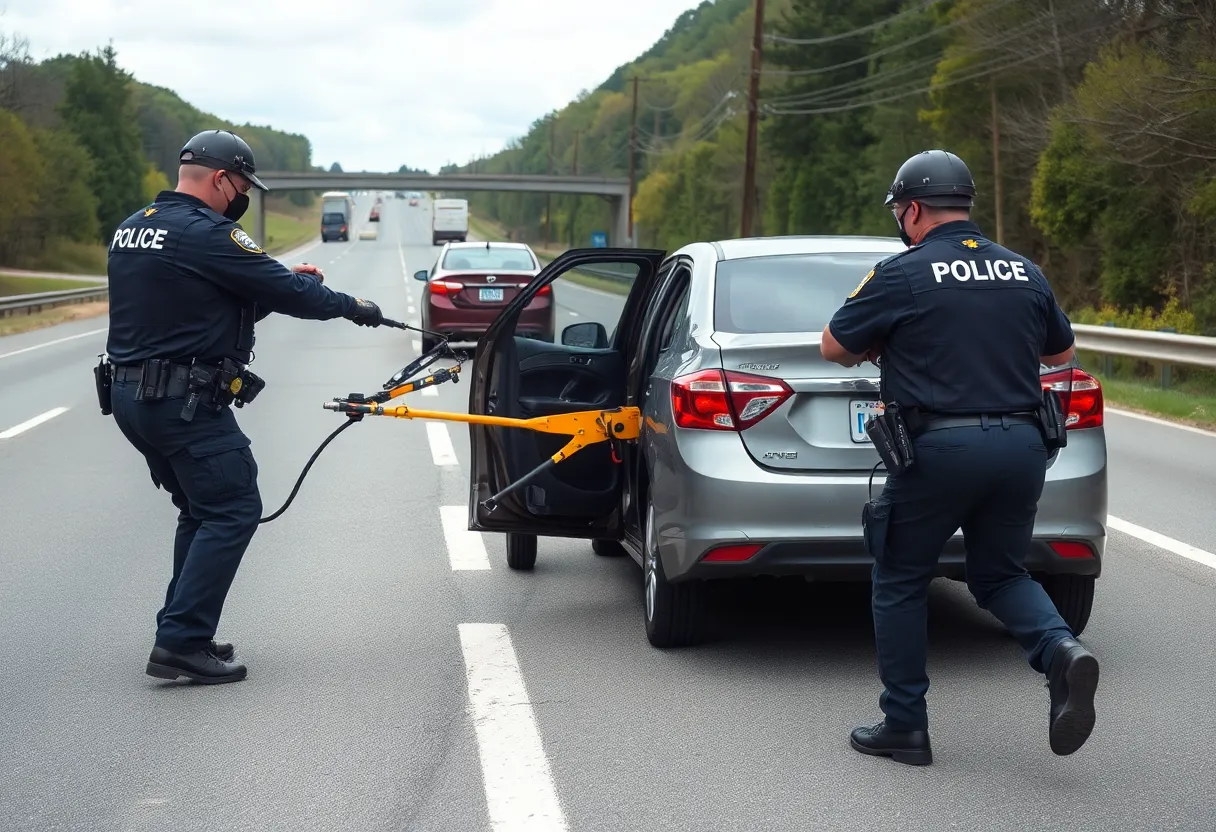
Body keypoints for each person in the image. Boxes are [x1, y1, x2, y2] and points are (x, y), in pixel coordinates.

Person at [819, 149, 1100, 765]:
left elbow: (833, 346)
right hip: (1024, 446)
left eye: (900, 210)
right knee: (999, 574)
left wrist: (886, 346)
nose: (901, 220)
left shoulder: (902, 272)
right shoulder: (1024, 271)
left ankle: (905, 727)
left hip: (940, 448)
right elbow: (1062, 354)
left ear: (913, 209)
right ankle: (1060, 651)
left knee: (899, 576)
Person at [105, 129, 386, 685]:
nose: (242, 196)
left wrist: (269, 290)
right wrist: (353, 306)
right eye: (241, 185)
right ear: (219, 178)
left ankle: (183, 630)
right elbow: (295, 295)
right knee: (233, 505)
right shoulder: (207, 233)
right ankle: (182, 642)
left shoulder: (134, 228)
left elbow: (193, 311)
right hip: (178, 401)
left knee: (201, 509)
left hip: (132, 398)